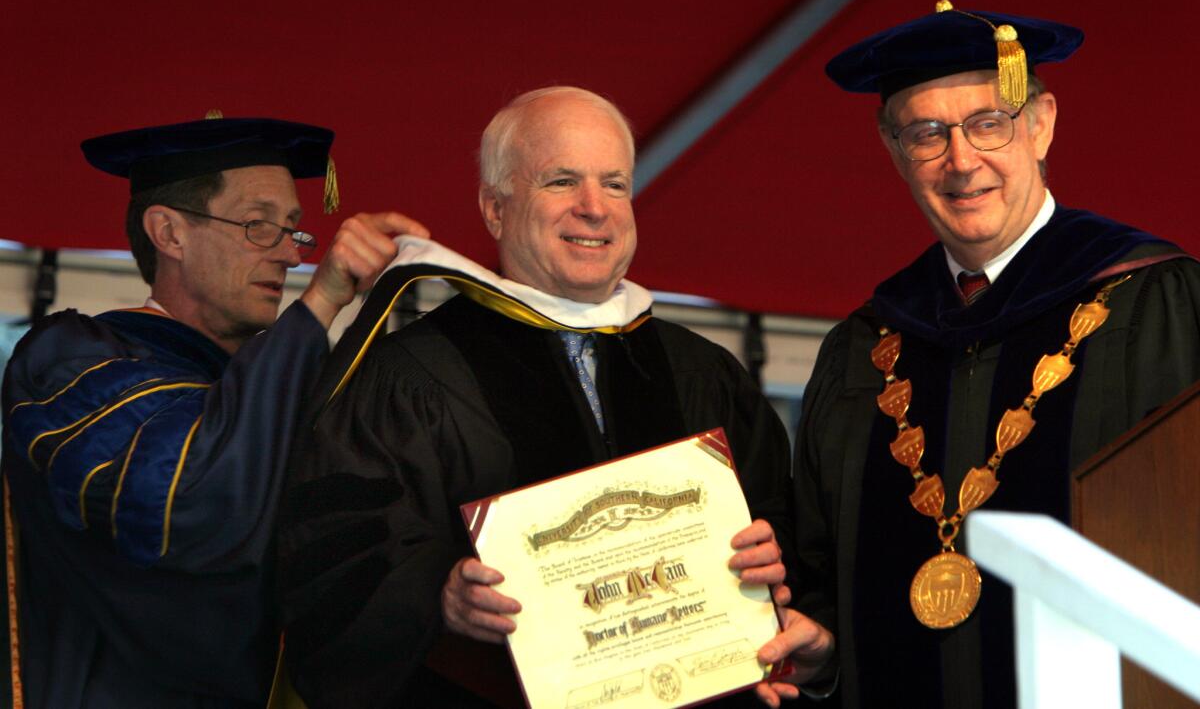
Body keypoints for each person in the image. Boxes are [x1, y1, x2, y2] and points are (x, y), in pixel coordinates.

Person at [276, 87, 830, 708]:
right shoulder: (412, 376)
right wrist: (440, 591)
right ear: (495, 209)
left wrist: (767, 559)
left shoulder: (700, 371)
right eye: (562, 182)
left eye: (615, 184)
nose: (595, 209)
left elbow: (792, 537)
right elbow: (330, 557)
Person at [791, 0, 1200, 708]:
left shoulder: (1155, 301)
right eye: (926, 133)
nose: (961, 160)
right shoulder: (864, 348)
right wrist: (821, 650)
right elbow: (819, 574)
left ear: (1040, 125)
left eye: (988, 123)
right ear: (893, 150)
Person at [1, 115, 428, 708]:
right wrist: (323, 299)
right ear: (170, 233)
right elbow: (193, 503)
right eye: (258, 226)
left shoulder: (285, 384)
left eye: (293, 231)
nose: (289, 255)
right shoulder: (71, 361)